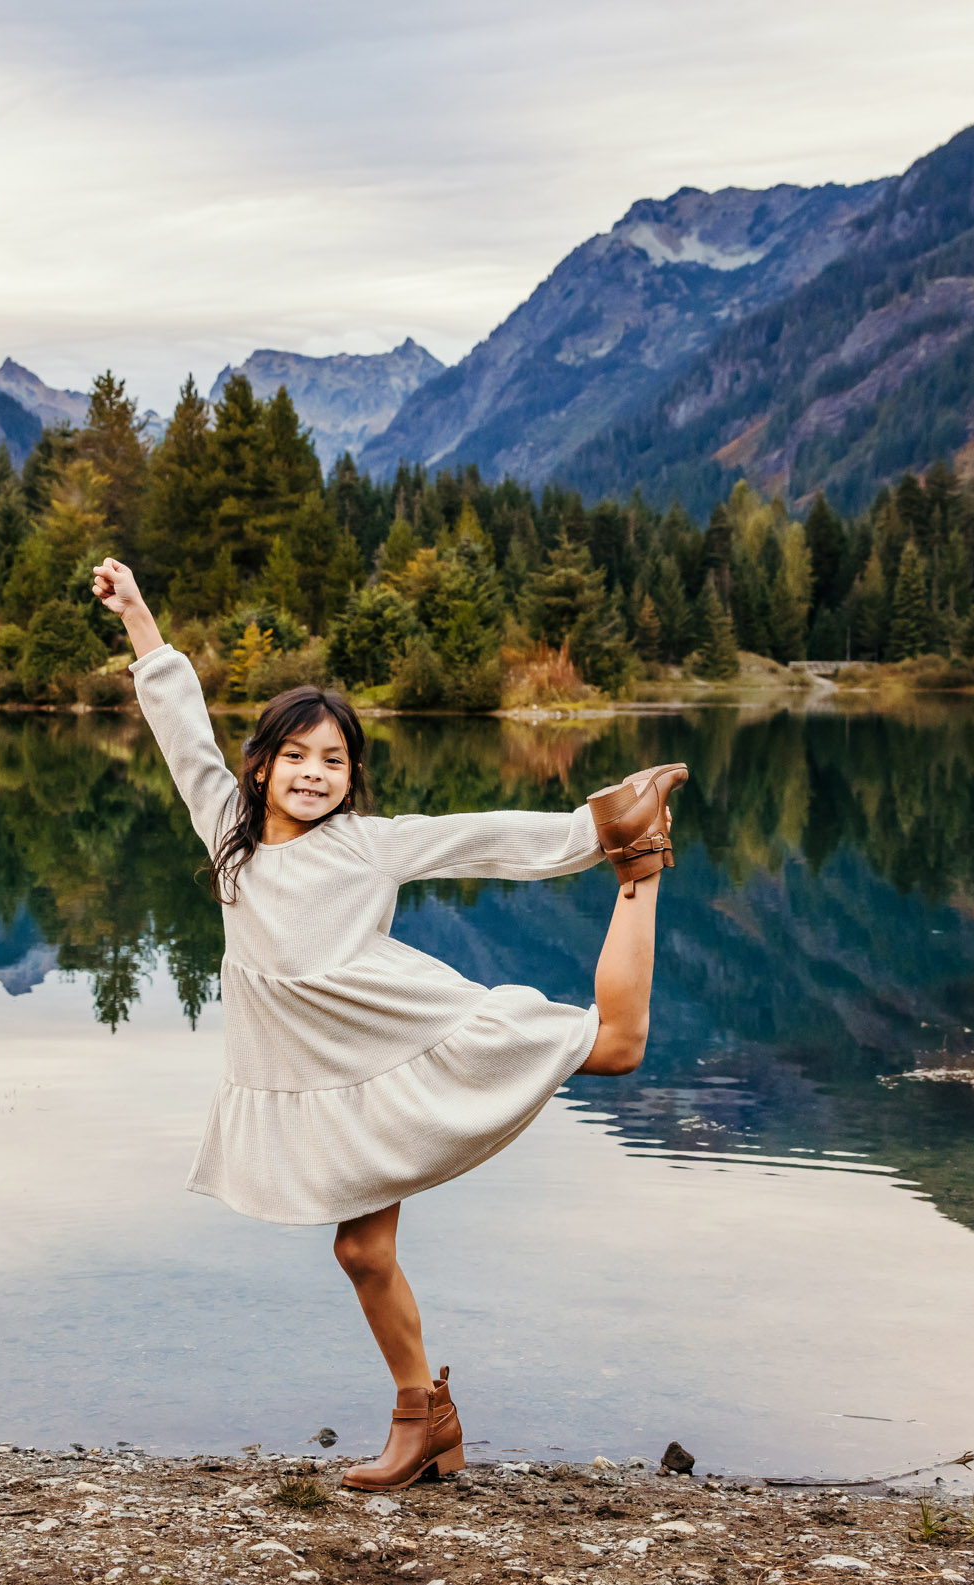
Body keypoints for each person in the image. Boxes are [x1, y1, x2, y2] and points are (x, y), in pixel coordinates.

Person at [90, 557, 685, 1491]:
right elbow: (180, 732)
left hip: (388, 1039)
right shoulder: (227, 832)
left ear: (351, 776)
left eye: (334, 760)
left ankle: (642, 867)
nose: (315, 774)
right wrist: (141, 621)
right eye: (296, 756)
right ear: (262, 767)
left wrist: (596, 829)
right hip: (326, 1076)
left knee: (612, 1048)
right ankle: (427, 1421)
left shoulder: (368, 846)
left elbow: (485, 836)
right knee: (361, 1249)